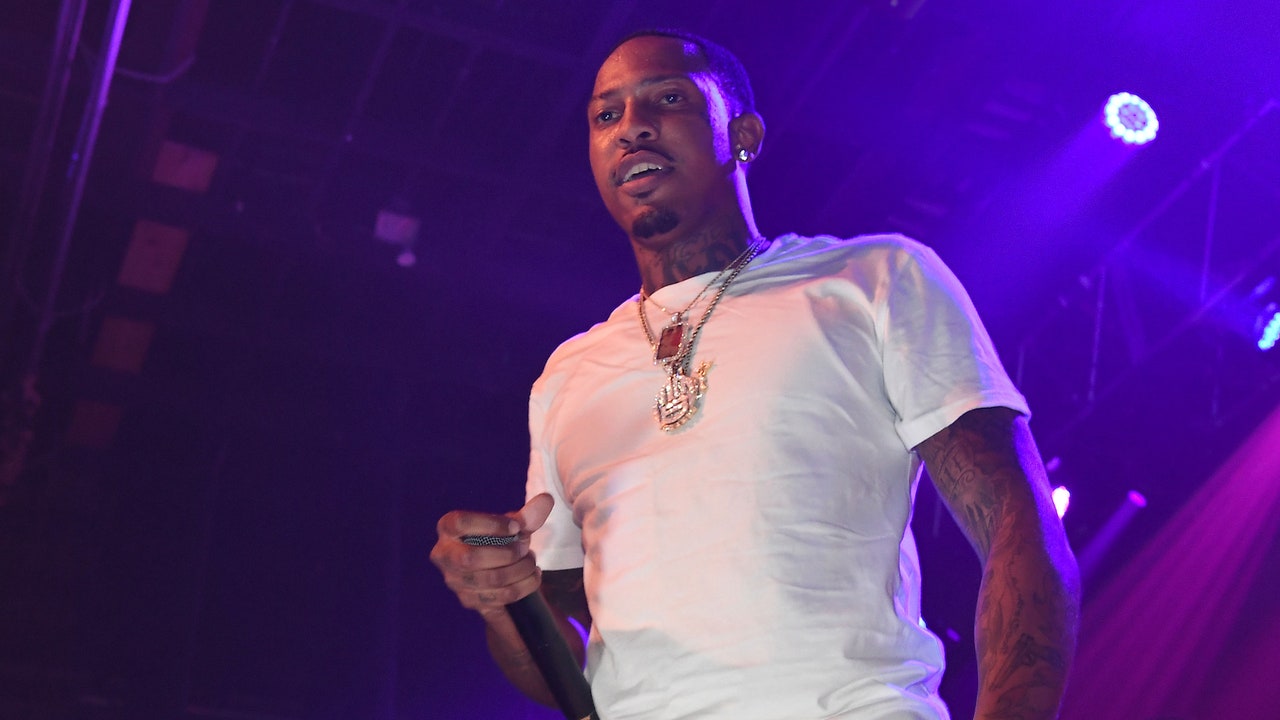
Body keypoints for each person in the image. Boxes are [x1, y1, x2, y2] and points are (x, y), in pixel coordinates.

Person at [431, 28, 1079, 720]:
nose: (631, 127)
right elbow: (567, 660)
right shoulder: (568, 375)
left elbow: (1015, 520)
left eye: (668, 99)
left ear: (742, 135)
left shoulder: (872, 278)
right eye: (605, 114)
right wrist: (502, 599)